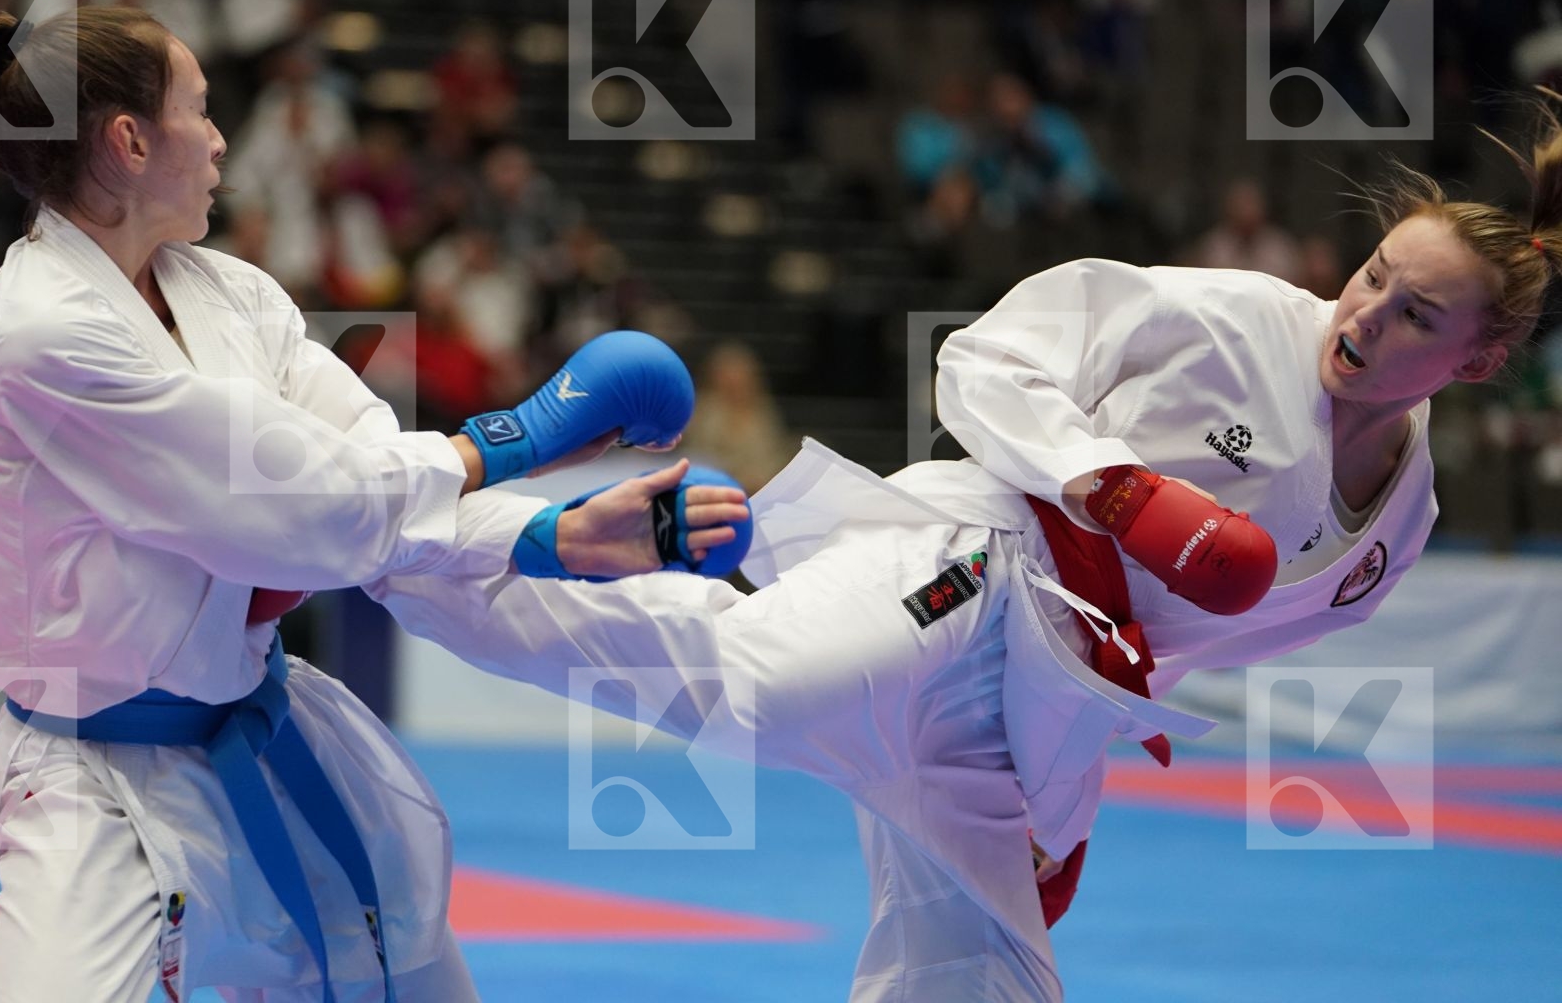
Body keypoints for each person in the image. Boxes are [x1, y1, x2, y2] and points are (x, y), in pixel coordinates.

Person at [367, 132, 1562, 999]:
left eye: (1415, 317)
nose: (1363, 316)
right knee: (769, 684)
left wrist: (1065, 786)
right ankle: (437, 536)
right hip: (977, 555)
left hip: (1048, 694)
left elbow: (1160, 645)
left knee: (981, 979)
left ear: (1475, 362)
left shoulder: (1393, 535)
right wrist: (1112, 485)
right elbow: (987, 360)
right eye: (1372, 278)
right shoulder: (1239, 321)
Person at [0, 5, 750, 1003]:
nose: (220, 138)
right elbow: (301, 507)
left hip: (260, 727)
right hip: (93, 787)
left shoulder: (232, 295)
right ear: (129, 141)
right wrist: (525, 436)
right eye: (201, 111)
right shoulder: (35, 335)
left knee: (410, 980)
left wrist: (550, 534)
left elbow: (371, 482)